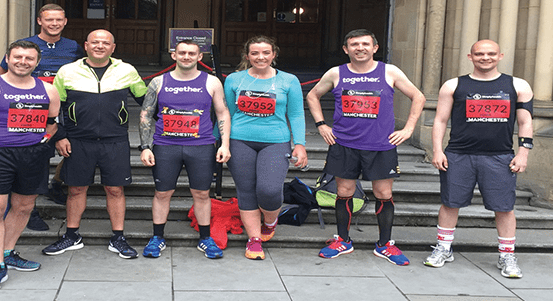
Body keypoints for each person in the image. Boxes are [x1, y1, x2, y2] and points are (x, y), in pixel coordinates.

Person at [305, 29, 425, 266]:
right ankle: (343, 240)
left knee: (384, 194)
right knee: (344, 192)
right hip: (344, 144)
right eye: (354, 44)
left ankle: (385, 245)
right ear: (345, 49)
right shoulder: (336, 73)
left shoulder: (389, 71)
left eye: (365, 44)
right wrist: (321, 125)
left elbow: (418, 97)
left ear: (375, 48)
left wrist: (409, 129)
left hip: (381, 145)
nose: (360, 48)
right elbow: (312, 95)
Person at [426, 39, 533, 278]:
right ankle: (444, 247)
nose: (486, 57)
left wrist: (523, 152)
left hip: (500, 156)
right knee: (450, 203)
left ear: (500, 56)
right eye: (480, 54)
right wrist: (437, 150)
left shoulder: (517, 85)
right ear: (470, 56)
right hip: (459, 154)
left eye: (491, 53)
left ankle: (507, 255)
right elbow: (440, 120)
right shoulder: (453, 85)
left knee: (504, 207)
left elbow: (526, 121)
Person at [0, 40, 60, 292]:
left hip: (32, 156)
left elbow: (52, 123)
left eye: (29, 58)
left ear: (37, 62)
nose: (23, 62)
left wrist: (42, 144)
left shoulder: (48, 91)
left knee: (24, 206)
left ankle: (7, 252)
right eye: (18, 57)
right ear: (7, 58)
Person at [42, 29, 147, 259]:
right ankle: (71, 236)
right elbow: (54, 108)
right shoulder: (67, 71)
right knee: (76, 189)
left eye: (105, 43)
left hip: (115, 140)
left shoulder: (126, 70)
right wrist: (59, 136)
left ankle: (118, 237)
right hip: (78, 140)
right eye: (95, 42)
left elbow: (147, 101)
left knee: (115, 189)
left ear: (113, 47)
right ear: (86, 45)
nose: (100, 46)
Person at [139, 40, 231, 259]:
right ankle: (157, 237)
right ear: (174, 55)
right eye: (182, 53)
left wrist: (225, 144)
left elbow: (223, 113)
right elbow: (145, 114)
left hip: (200, 146)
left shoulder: (212, 82)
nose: (186, 57)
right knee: (163, 193)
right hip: (165, 146)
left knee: (201, 193)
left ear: (200, 57)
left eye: (191, 53)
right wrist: (145, 147)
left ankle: (205, 238)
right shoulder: (158, 81)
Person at [0, 4, 84, 229]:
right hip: (30, 111)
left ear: (65, 22)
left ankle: (56, 184)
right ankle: (29, 210)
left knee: (73, 151)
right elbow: (1, 76)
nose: (54, 24)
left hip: (64, 108)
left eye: (58, 20)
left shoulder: (73, 47)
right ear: (39, 21)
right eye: (49, 20)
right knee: (36, 158)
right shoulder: (25, 46)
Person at [223, 36, 308, 260]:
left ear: (273, 55)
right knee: (246, 190)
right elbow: (226, 114)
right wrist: (219, 142)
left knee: (269, 190)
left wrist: (300, 144)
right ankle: (254, 239)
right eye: (255, 53)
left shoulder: (289, 81)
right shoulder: (234, 80)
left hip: (276, 141)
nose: (260, 57)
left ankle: (270, 221)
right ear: (247, 56)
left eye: (265, 53)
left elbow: (296, 114)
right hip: (239, 139)